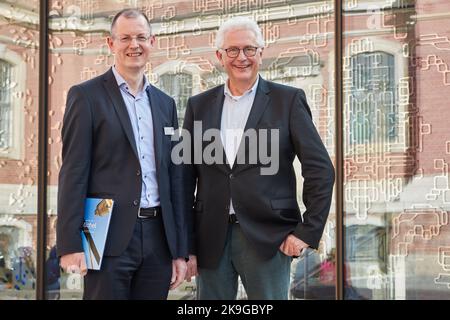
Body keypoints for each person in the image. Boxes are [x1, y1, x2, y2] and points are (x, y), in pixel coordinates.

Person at [182, 16, 335, 299]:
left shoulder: (287, 101)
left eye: (249, 49)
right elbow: (184, 180)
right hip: (210, 240)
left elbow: (320, 169)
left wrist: (306, 231)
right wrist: (185, 245)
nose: (242, 57)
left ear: (261, 54)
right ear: (220, 56)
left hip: (269, 238)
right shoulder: (198, 106)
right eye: (233, 50)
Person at [56, 8, 187, 300]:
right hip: (103, 234)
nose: (134, 45)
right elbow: (74, 172)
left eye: (141, 37)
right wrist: (69, 244)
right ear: (111, 44)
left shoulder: (166, 104)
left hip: (158, 238)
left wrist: (179, 250)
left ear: (152, 42)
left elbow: (174, 178)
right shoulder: (86, 96)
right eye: (125, 38)